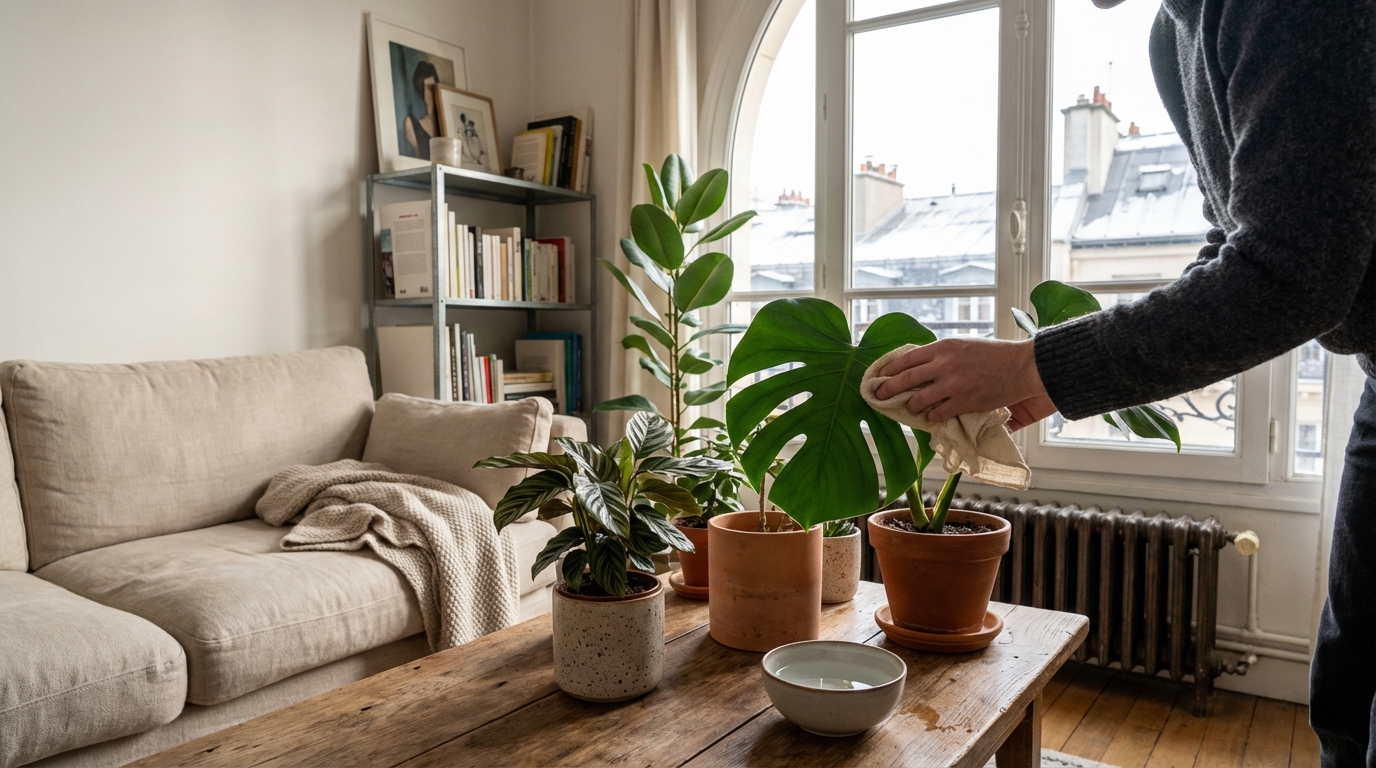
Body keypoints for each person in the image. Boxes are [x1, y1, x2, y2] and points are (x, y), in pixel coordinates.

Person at [872, 1, 1376, 764]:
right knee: (1348, 685)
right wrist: (1055, 377)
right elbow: (1233, 241)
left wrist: (1030, 363)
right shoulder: (1175, 37)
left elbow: (1290, 272)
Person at [403, 60, 439, 160]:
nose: (432, 92)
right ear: (421, 89)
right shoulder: (412, 124)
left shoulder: (447, 125)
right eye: (428, 88)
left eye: (434, 87)